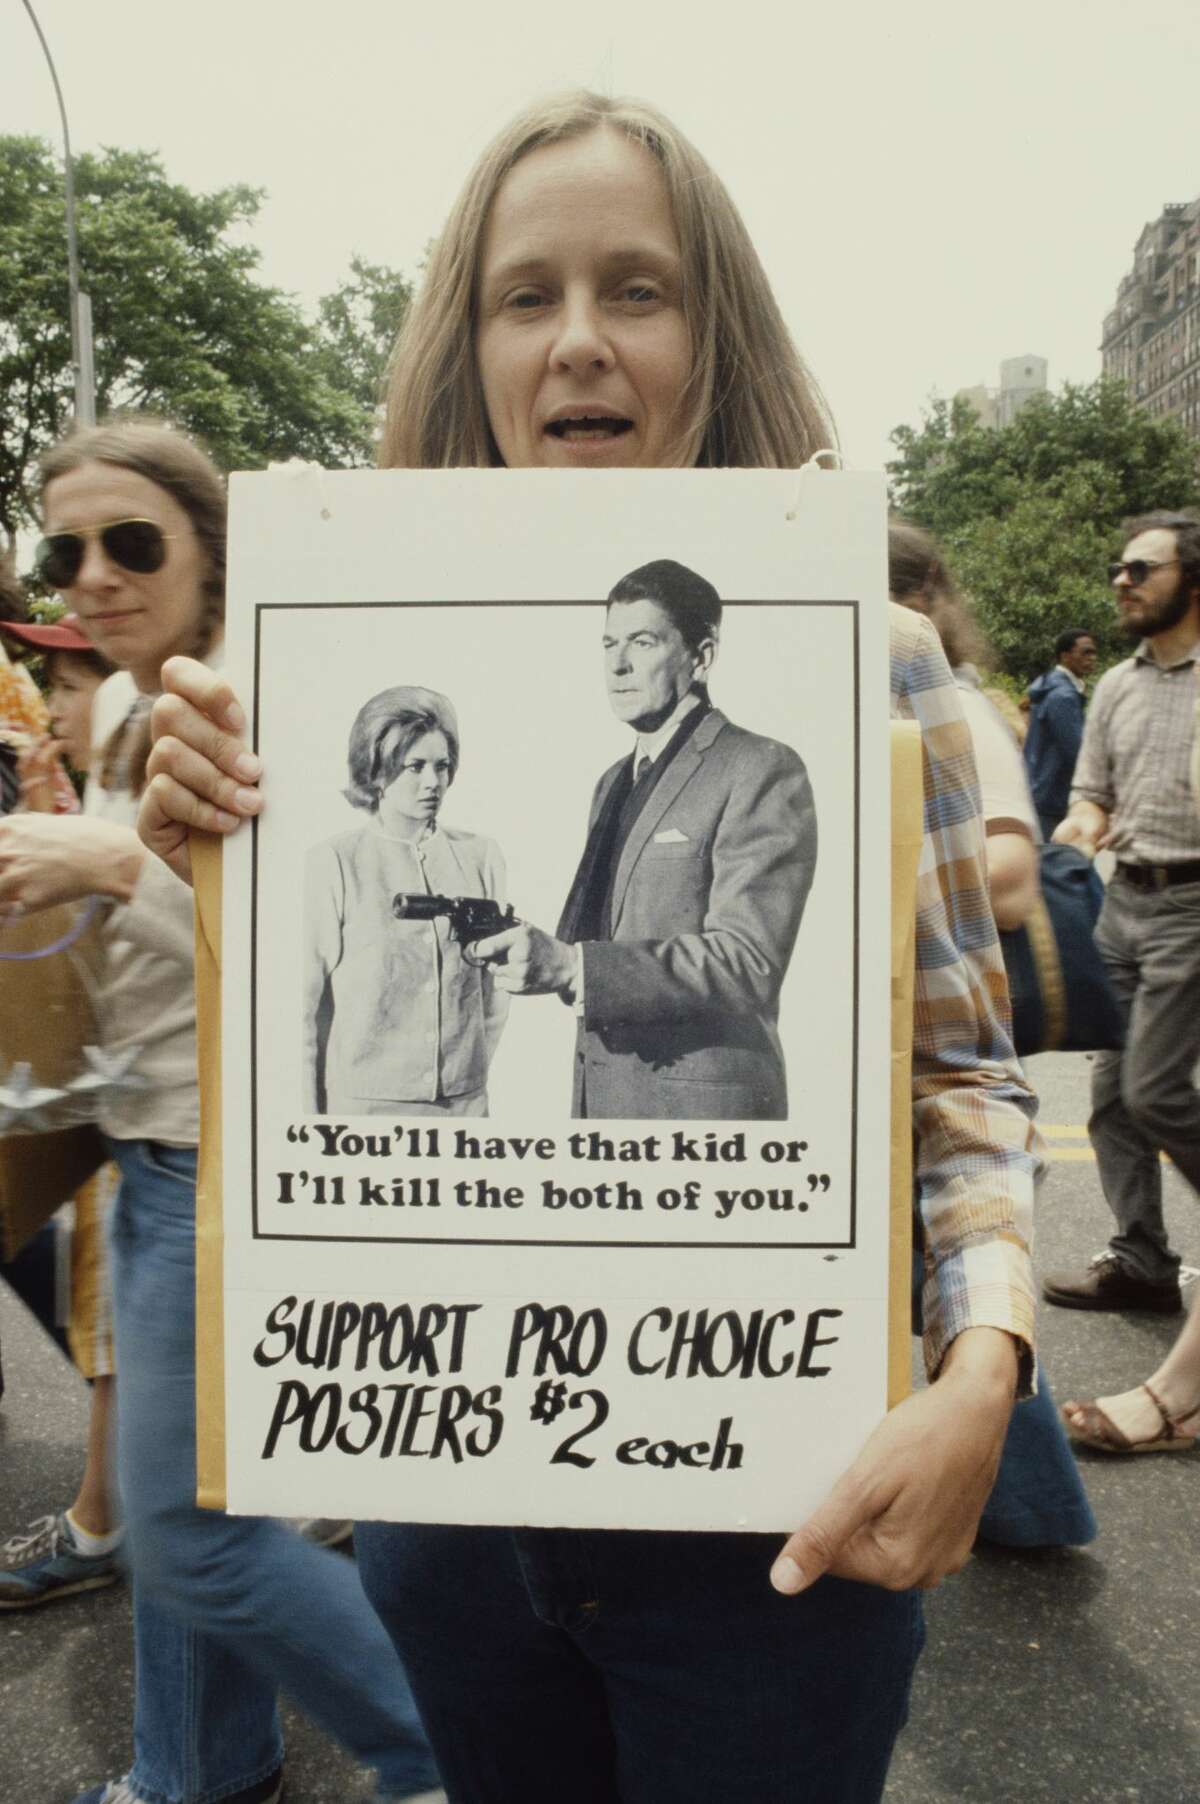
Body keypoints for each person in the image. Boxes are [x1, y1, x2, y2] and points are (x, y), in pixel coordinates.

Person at [138, 92, 1039, 1804]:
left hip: (774, 1512)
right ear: (464, 343)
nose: (577, 341)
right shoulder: (346, 665)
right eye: (523, 293)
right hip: (454, 1509)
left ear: (715, 336)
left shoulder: (873, 662)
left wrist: (982, 1364)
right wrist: (201, 870)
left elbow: (962, 1066)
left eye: (638, 289)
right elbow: (261, 1092)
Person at [0, 419, 440, 1804]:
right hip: (156, 1152)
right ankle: (193, 1770)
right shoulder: (134, 708)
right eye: (64, 547)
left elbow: (316, 913)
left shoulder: (260, 690)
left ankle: (456, 1754)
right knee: (212, 1502)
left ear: (214, 552)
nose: (93, 575)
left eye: (134, 542)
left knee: (187, 1531)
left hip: (228, 1169)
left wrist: (98, 860)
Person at [888, 521, 1096, 1548]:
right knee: (951, 1291)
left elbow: (1008, 877)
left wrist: (912, 849)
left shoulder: (950, 702)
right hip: (907, 1019)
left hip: (935, 1014)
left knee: (957, 1284)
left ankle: (1030, 1507)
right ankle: (1025, 1501)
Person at [476, 557, 815, 1119]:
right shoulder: (613, 781)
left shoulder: (760, 767)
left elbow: (747, 961)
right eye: (608, 645)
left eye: (642, 642)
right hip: (606, 1106)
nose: (618, 667)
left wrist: (569, 966)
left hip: (701, 1121)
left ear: (701, 657)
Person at [1043, 513, 1200, 1321]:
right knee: (1110, 1093)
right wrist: (1074, 835)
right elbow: (1090, 794)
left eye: (1143, 568)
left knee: (1157, 1090)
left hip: (1192, 905)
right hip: (1124, 902)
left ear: (1191, 581)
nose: (1122, 580)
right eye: (1119, 567)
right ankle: (1142, 1257)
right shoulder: (1116, 686)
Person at [0, 612, 127, 1608]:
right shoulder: (96, 789)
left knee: (118, 1327)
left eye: (69, 685)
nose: (48, 705)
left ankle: (101, 1524)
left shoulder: (132, 801)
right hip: (98, 1115)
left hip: (135, 1132)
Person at [304, 684, 507, 1115]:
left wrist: (468, 1076)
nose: (433, 782)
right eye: (414, 767)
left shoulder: (481, 856)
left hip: (465, 1106)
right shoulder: (335, 862)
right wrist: (308, 1125)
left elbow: (494, 996)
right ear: (377, 770)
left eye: (443, 766)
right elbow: (302, 1008)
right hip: (367, 1113)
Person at [1023, 627, 1097, 839]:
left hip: (1039, 788)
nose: (1092, 658)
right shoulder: (1063, 696)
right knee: (1061, 862)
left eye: (1093, 653)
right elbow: (1076, 751)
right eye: (1085, 652)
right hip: (1053, 794)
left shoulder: (1051, 687)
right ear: (1065, 656)